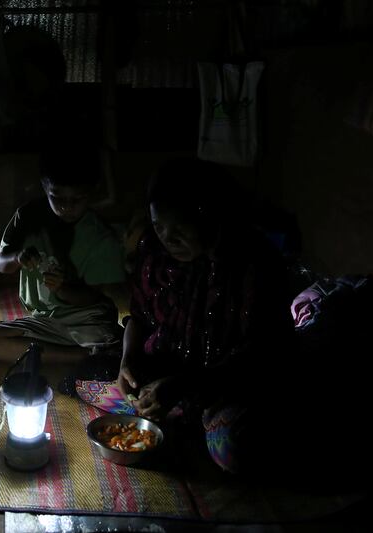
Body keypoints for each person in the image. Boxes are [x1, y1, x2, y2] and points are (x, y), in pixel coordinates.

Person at [118, 158, 295, 475]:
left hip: (228, 381)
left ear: (209, 216)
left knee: (235, 447)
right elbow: (139, 316)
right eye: (159, 226)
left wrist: (185, 386)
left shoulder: (254, 265)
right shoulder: (156, 254)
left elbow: (263, 355)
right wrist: (127, 357)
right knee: (98, 374)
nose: (168, 240)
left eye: (180, 229)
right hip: (172, 366)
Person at [0, 148, 126, 367]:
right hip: (45, 320)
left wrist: (62, 288)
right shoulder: (28, 217)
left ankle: (87, 352)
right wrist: (18, 257)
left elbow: (95, 299)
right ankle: (87, 357)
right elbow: (1, 265)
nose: (67, 207)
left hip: (88, 321)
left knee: (102, 334)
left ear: (93, 191)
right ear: (45, 187)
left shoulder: (101, 237)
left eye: (77, 199)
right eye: (57, 198)